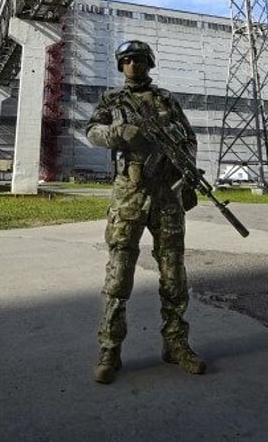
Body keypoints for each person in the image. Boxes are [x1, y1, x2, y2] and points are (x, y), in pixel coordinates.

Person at [85, 40, 206, 384]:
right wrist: (117, 133)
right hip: (129, 194)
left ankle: (176, 344)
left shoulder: (166, 99)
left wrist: (188, 178)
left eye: (138, 60)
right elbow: (91, 132)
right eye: (126, 60)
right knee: (119, 274)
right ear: (120, 66)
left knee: (173, 274)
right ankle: (110, 349)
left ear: (150, 64)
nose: (132, 65)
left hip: (167, 194)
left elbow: (188, 140)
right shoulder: (112, 100)